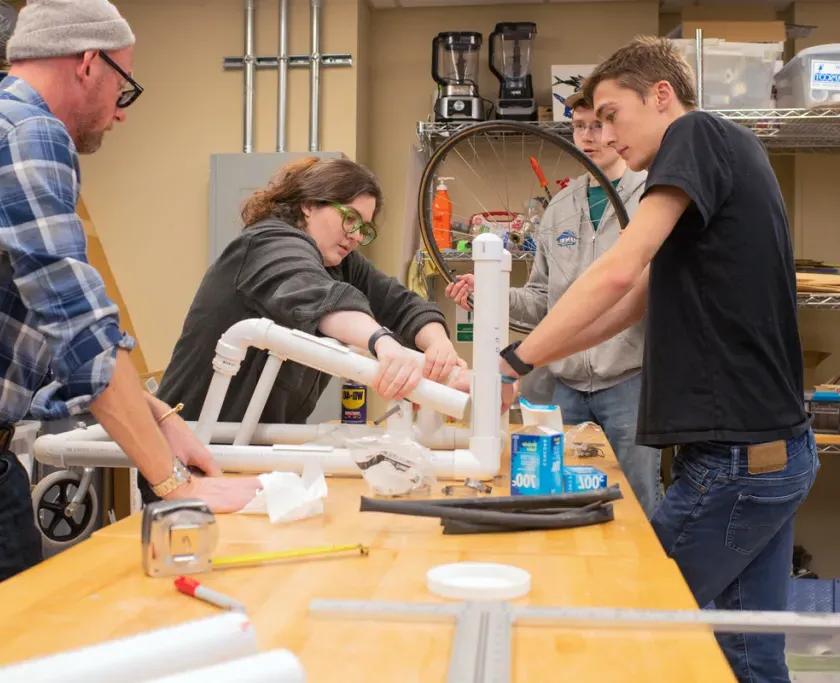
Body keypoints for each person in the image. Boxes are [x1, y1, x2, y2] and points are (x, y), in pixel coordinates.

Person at [0, 0, 259, 641]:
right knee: (11, 656)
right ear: (89, 63)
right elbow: (82, 332)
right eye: (127, 87)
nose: (123, 112)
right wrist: (174, 486)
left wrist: (163, 419)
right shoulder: (29, 136)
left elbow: (4, 333)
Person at [488, 37, 816, 683]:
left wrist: (510, 364)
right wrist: (527, 362)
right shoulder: (727, 156)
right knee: (750, 656)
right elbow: (634, 299)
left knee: (628, 629)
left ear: (661, 96)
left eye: (611, 114)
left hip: (737, 462)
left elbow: (616, 272)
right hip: (770, 451)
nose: (603, 132)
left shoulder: (694, 133)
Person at [141, 156, 462, 503]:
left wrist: (440, 347)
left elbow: (401, 303)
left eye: (364, 228)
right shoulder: (267, 243)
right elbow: (319, 296)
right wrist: (382, 342)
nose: (355, 236)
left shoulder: (340, 263)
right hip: (186, 460)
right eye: (349, 218)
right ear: (308, 206)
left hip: (245, 455)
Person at [444, 92, 662, 516]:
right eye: (578, 126)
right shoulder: (561, 206)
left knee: (640, 504)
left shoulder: (653, 195)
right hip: (564, 387)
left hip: (631, 382)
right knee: (554, 500)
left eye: (597, 125)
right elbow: (543, 300)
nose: (587, 137)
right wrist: (488, 294)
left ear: (617, 128)